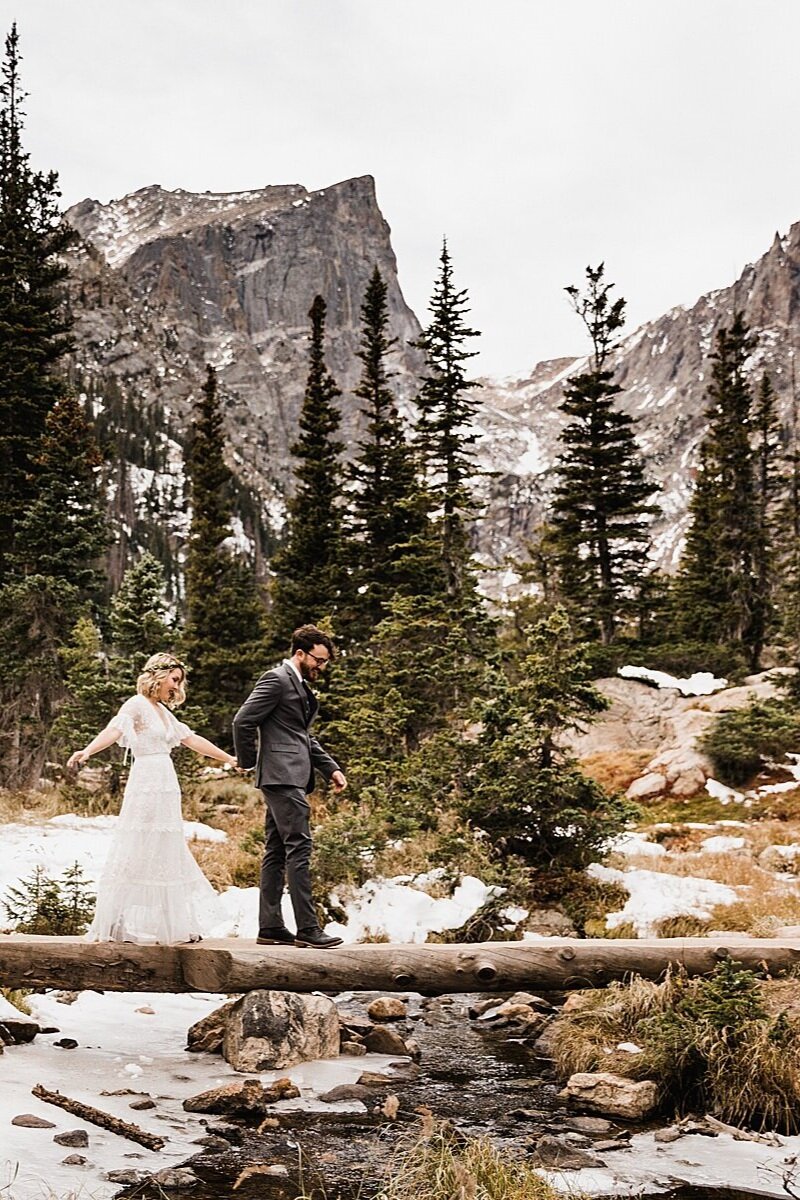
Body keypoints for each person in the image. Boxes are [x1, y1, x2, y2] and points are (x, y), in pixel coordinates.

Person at [67, 653, 237, 944]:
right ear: (158, 676)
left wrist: (229, 758)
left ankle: (173, 926)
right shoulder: (136, 705)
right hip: (146, 781)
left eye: (179, 681)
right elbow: (115, 730)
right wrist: (87, 751)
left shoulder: (161, 710)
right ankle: (115, 923)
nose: (177, 686)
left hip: (165, 783)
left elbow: (191, 739)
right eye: (174, 679)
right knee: (138, 845)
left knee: (165, 848)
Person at [233, 624, 347, 949]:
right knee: (300, 846)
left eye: (324, 662)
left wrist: (331, 769)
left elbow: (301, 735)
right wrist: (249, 760)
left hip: (289, 775)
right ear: (300, 653)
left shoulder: (297, 685)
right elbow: (243, 720)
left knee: (277, 849)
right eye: (319, 660)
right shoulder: (276, 680)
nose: (321, 667)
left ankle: (270, 927)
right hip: (282, 776)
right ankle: (308, 929)